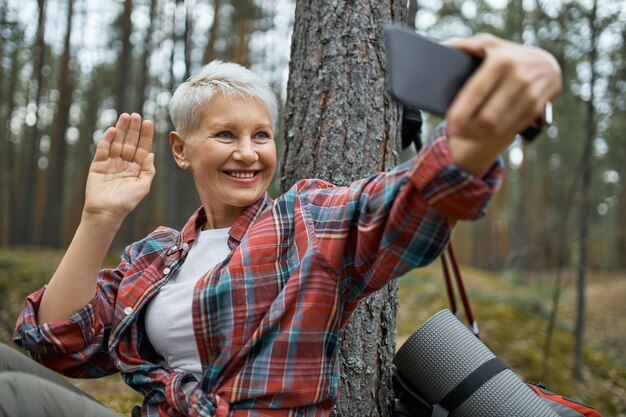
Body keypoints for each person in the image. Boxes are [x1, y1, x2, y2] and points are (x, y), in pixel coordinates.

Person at [4, 33, 561, 417]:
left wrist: (486, 129)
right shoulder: (152, 257)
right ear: (180, 149)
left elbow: (406, 204)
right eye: (225, 135)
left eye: (261, 135)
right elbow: (59, 345)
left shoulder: (305, 221)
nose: (247, 153)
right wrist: (99, 217)